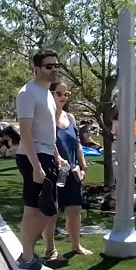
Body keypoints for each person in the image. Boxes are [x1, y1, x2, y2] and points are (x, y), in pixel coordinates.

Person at [14, 50, 66, 270]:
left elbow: (48, 131)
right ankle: (27, 256)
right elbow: (25, 132)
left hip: (45, 154)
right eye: (48, 66)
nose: (53, 69)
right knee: (47, 209)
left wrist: (56, 154)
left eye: (56, 65)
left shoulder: (47, 94)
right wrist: (37, 166)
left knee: (32, 210)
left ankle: (26, 256)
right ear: (35, 68)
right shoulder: (28, 93)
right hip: (33, 156)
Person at [43, 80, 93, 259]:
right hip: (54, 172)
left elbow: (77, 145)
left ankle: (76, 245)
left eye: (66, 94)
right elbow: (47, 143)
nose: (63, 97)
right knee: (52, 212)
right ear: (50, 94)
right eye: (59, 93)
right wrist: (59, 159)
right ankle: (50, 250)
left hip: (72, 171)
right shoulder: (46, 118)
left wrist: (83, 164)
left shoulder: (70, 118)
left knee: (75, 209)